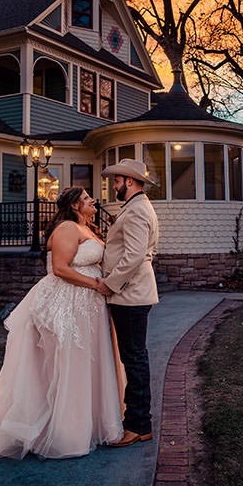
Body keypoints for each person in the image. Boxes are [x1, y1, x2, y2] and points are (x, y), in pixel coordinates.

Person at [0, 187, 124, 459]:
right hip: (70, 301)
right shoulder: (66, 228)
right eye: (88, 199)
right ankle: (66, 434)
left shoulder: (86, 228)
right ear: (76, 205)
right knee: (69, 363)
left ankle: (92, 424)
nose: (94, 202)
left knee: (90, 362)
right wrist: (96, 285)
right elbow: (62, 269)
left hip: (89, 306)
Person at [96, 158, 160, 448]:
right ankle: (138, 422)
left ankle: (137, 425)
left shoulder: (135, 211)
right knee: (135, 357)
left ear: (130, 182)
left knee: (134, 359)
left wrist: (108, 284)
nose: (115, 185)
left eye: (118, 181)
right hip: (133, 293)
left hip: (130, 296)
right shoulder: (137, 208)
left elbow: (133, 256)